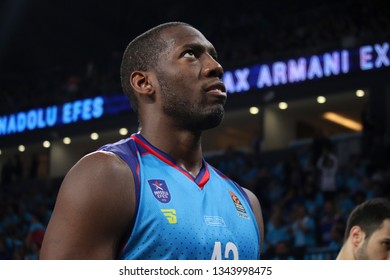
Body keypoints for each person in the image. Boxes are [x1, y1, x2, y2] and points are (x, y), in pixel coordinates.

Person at [39, 22, 264, 260]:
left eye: (213, 56)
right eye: (190, 54)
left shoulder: (247, 203)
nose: (216, 67)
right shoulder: (107, 177)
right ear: (144, 83)